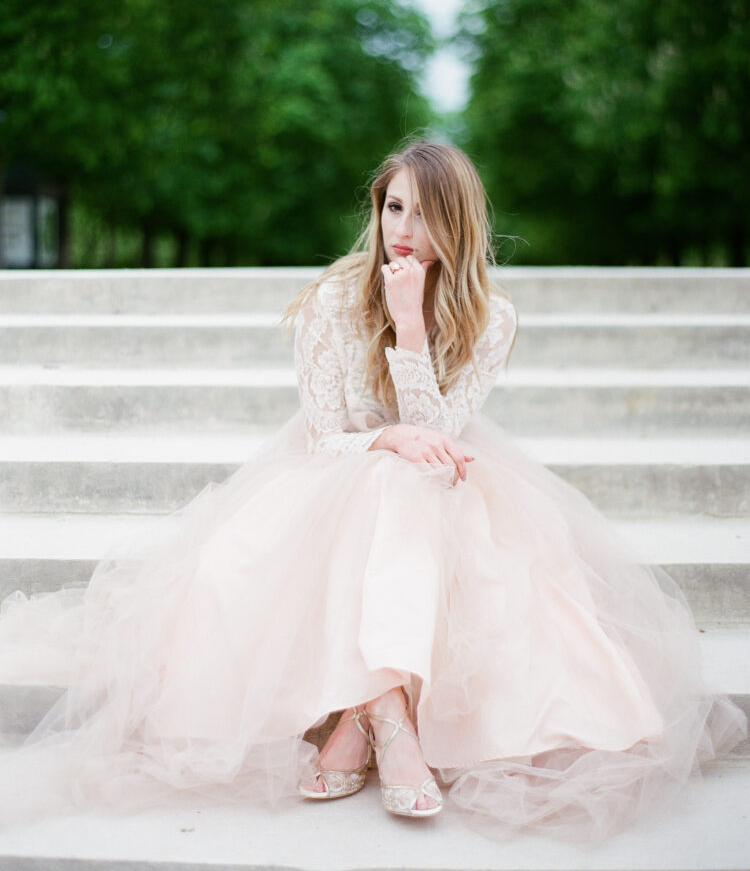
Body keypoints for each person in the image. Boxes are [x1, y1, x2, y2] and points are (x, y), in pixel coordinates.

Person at [0, 140, 745, 841]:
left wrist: (412, 327)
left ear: (457, 223)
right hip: (329, 474)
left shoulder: (495, 318)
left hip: (438, 481)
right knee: (382, 479)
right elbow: (327, 437)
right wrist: (386, 436)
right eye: (393, 207)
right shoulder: (330, 301)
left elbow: (439, 434)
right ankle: (391, 718)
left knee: (412, 488)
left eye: (424, 213)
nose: (404, 229)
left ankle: (361, 718)